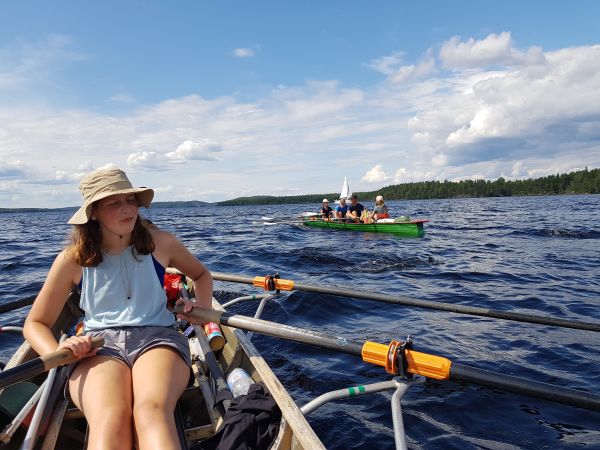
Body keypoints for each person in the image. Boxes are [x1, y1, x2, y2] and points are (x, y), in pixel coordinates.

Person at [23, 167, 212, 450]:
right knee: (110, 419)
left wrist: (199, 308)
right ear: (94, 213)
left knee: (151, 412)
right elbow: (34, 323)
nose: (128, 209)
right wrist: (58, 353)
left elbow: (201, 275)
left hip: (157, 338)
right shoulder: (72, 259)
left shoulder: (161, 242)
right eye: (114, 203)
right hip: (99, 345)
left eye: (131, 200)